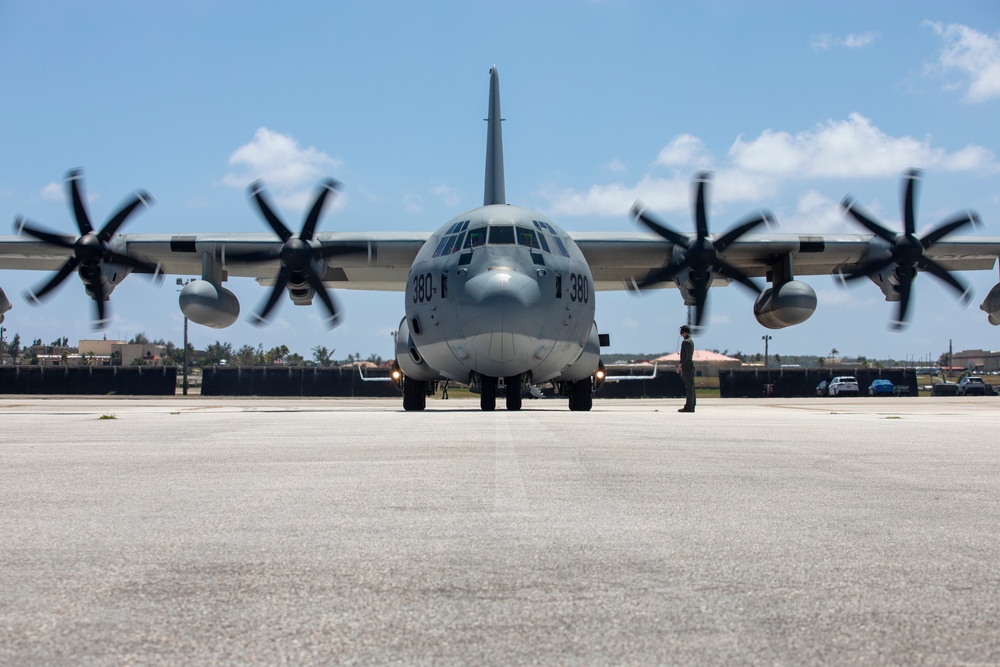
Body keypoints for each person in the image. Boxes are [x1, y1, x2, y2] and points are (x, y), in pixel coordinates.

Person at [677, 324, 695, 412]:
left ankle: (688, 406)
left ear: (684, 332)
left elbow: (684, 356)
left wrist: (679, 366)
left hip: (687, 365)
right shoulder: (690, 341)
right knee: (691, 386)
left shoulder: (685, 342)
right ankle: (692, 405)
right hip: (690, 364)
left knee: (688, 386)